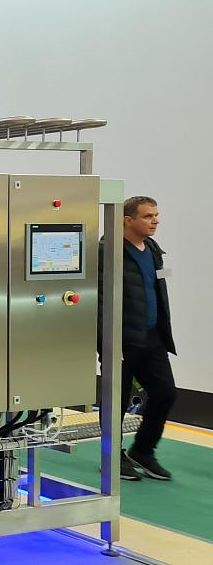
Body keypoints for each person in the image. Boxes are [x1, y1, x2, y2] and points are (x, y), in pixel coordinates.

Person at [105, 196, 176, 481]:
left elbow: (157, 287)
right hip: (121, 339)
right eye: (148, 216)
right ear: (128, 220)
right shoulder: (109, 251)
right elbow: (100, 299)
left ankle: (143, 451)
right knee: (117, 401)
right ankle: (112, 457)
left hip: (152, 336)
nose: (155, 221)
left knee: (165, 393)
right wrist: (105, 340)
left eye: (156, 215)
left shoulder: (153, 249)